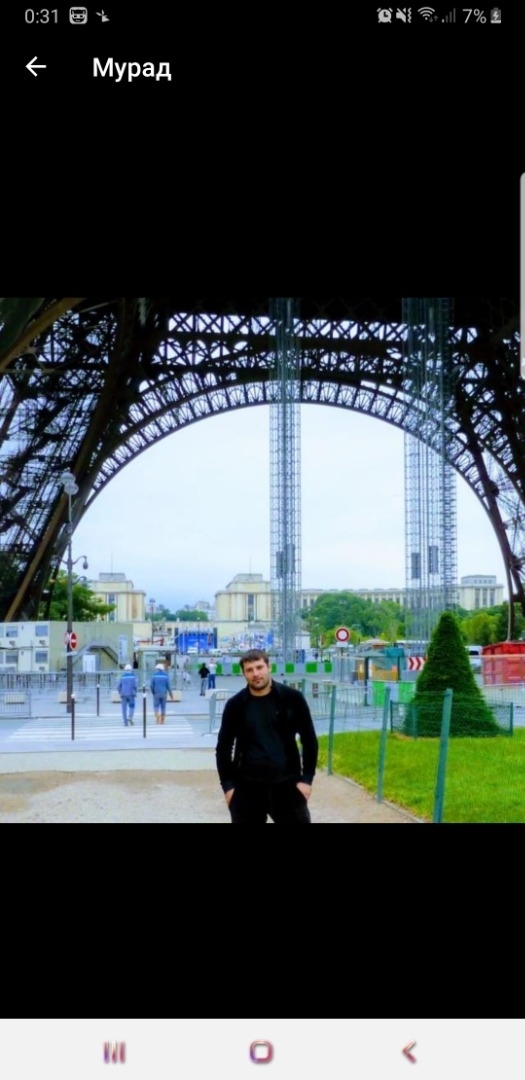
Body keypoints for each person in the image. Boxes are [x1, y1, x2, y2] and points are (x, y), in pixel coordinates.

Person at [215, 648, 318, 824]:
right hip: (247, 788)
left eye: (259, 667)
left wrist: (307, 780)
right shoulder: (235, 705)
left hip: (288, 784)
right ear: (244, 674)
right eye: (249, 670)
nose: (255, 674)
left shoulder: (292, 698)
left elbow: (309, 740)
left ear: (269, 667)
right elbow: (223, 748)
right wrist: (228, 787)